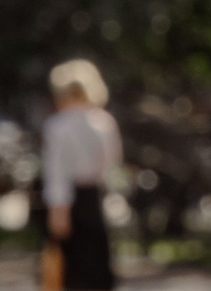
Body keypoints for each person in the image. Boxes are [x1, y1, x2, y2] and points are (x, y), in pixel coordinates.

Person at [40, 61, 120, 291]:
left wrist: (57, 212)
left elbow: (57, 172)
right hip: (95, 198)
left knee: (71, 273)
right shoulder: (104, 122)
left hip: (68, 202)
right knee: (96, 269)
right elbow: (112, 164)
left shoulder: (58, 125)